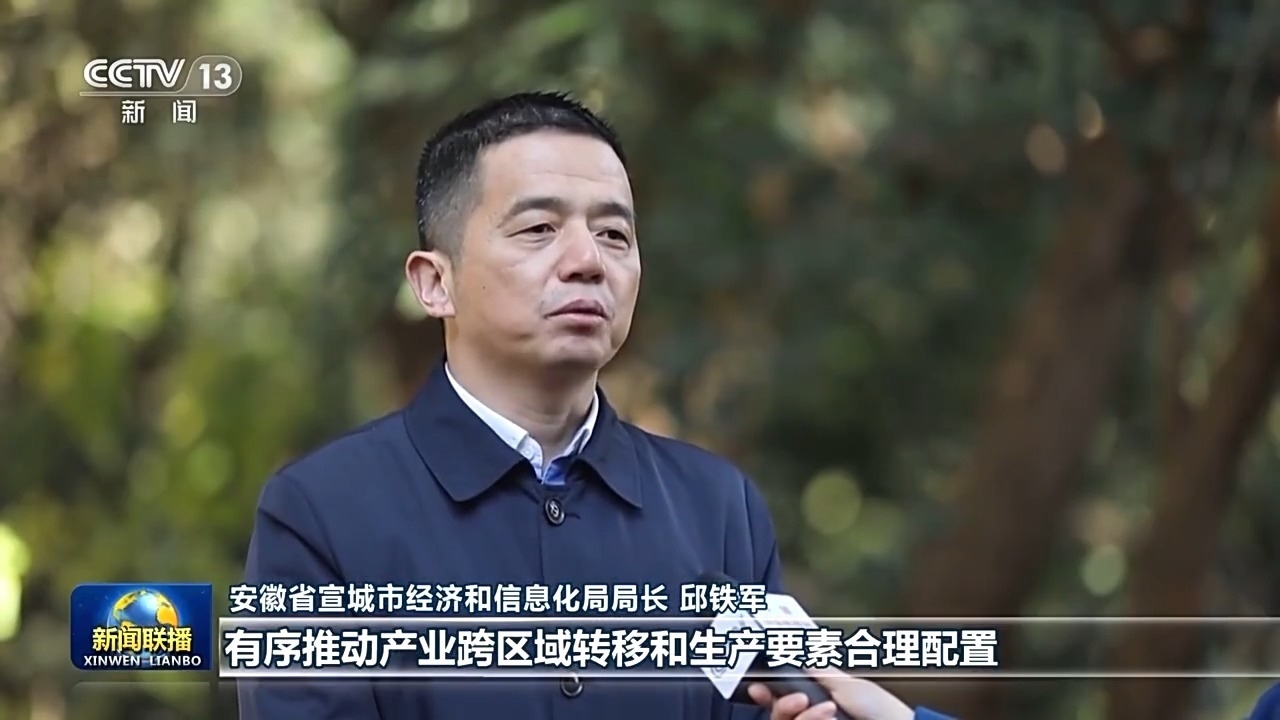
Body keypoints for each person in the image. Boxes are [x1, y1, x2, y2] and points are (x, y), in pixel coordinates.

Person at [237, 91, 948, 720]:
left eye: (614, 234)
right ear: (434, 283)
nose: (588, 261)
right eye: (538, 229)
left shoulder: (717, 507)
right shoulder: (321, 511)